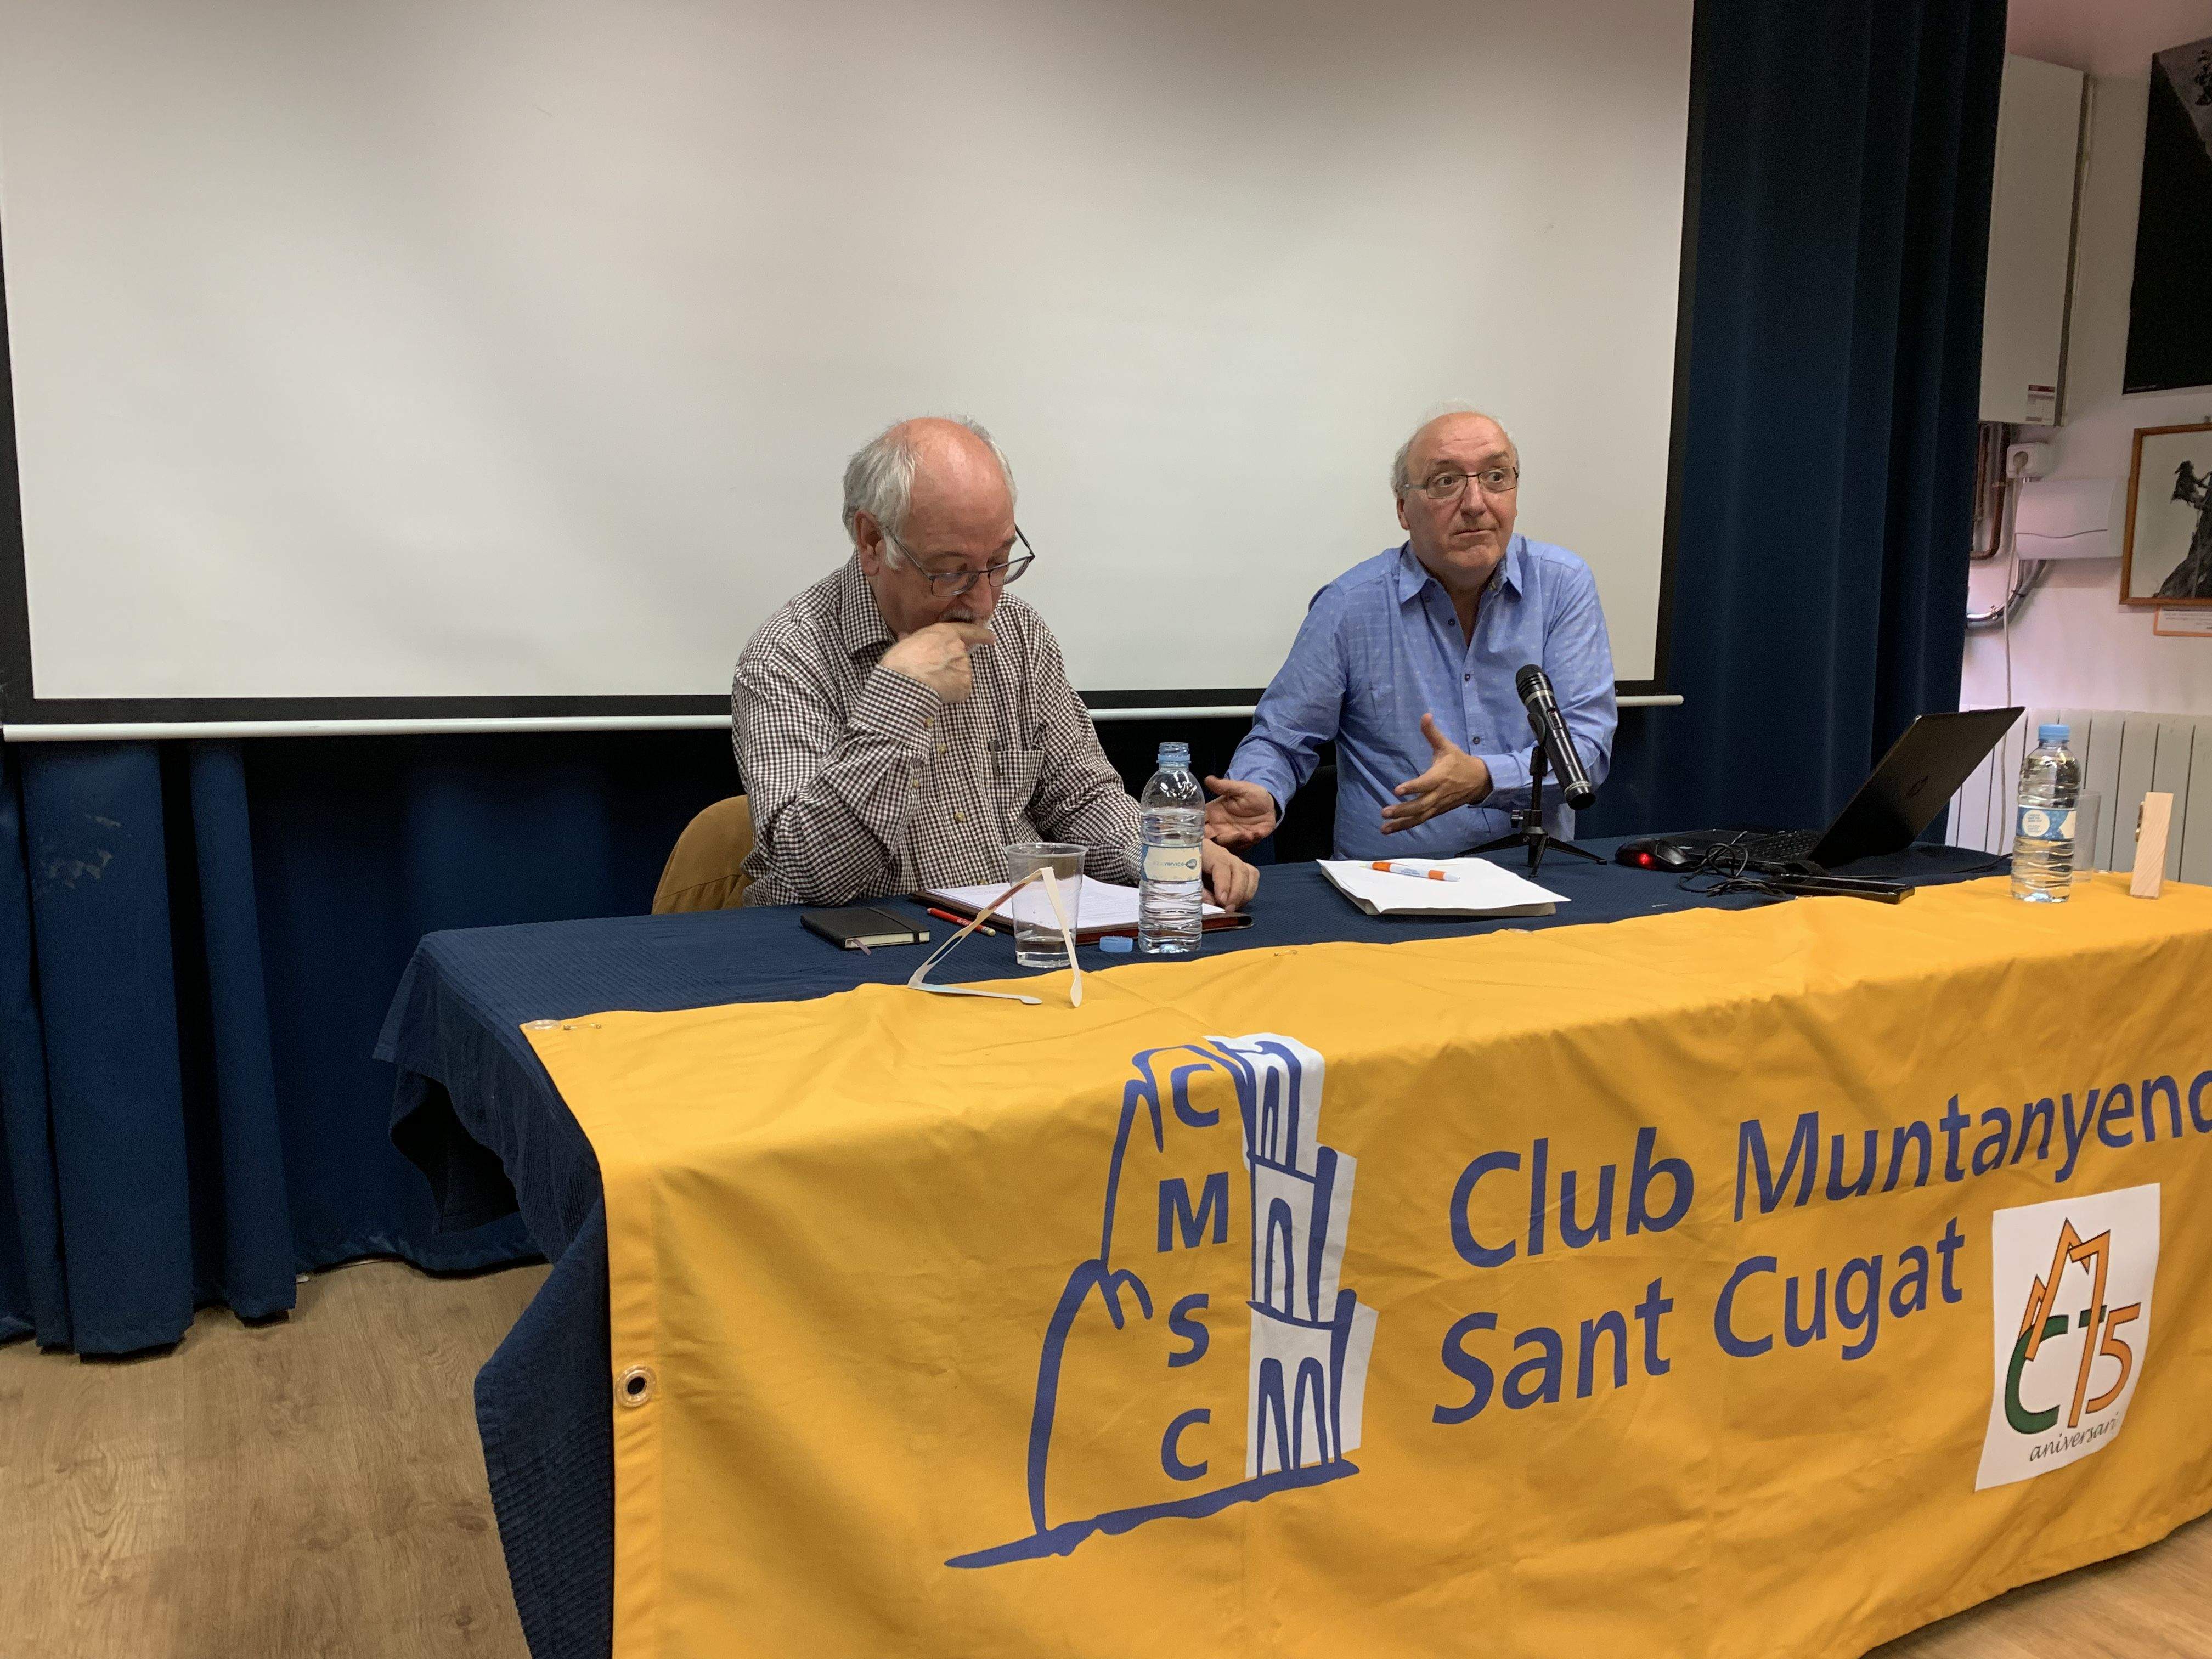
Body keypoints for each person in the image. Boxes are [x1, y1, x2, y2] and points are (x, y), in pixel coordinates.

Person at [733, 416, 1260, 910]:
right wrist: (899, 700)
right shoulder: (786, 656)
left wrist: (1158, 851)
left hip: (1011, 938)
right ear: (872, 542)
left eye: (1000, 562)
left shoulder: (1018, 632)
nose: (985, 602)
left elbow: (1080, 798)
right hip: (862, 953)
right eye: (952, 571)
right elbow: (817, 875)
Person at [1205, 408, 1616, 861]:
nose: (1476, 503)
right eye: (1446, 482)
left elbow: (1585, 752)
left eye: (1496, 477)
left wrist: (1484, 778)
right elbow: (1283, 738)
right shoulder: (1350, 605)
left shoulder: (1561, 584)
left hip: (1533, 876)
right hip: (1390, 884)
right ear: (1404, 509)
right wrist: (1261, 788)